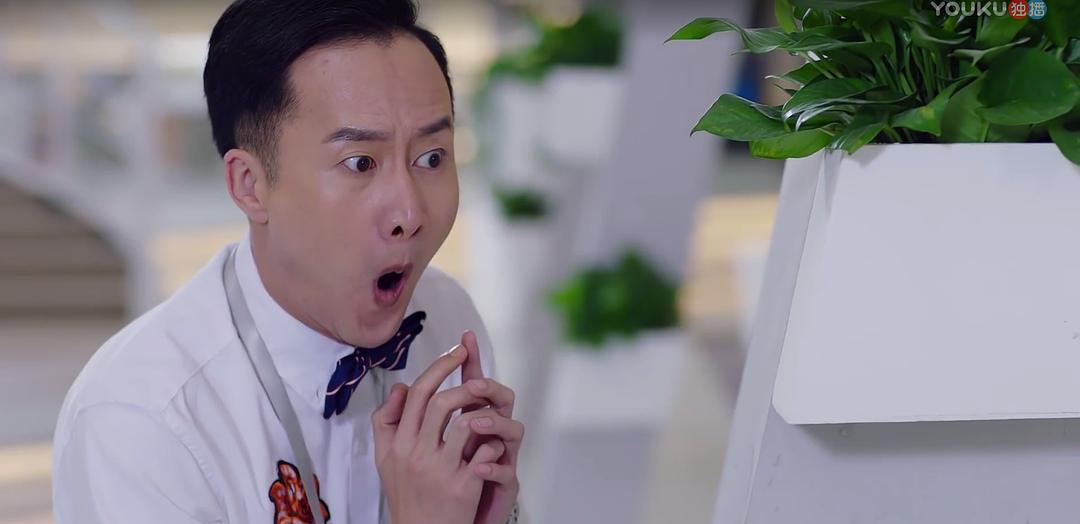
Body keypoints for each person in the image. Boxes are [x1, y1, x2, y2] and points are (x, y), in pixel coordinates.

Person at [51, 1, 524, 522]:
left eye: (431, 157)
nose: (409, 214)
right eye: (360, 163)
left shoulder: (448, 323)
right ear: (250, 186)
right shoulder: (143, 418)